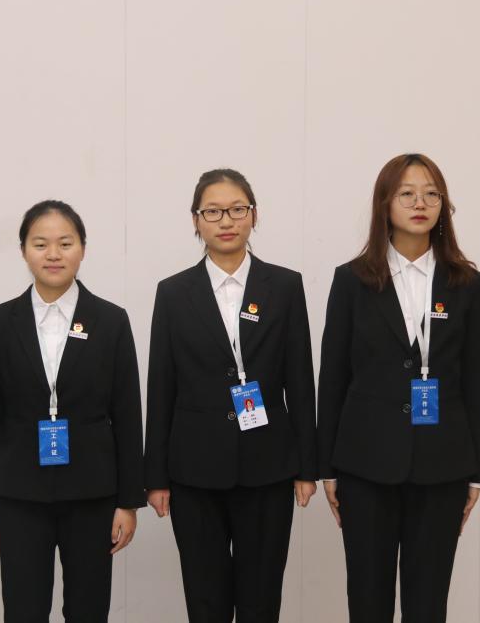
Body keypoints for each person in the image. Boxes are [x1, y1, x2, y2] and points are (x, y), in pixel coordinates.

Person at [318, 153, 480, 623]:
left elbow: (476, 379)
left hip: (443, 464)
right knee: (368, 600)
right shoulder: (351, 280)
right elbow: (333, 377)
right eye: (407, 194)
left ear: (444, 206)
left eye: (432, 194)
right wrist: (326, 467)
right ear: (385, 204)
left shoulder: (467, 283)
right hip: (365, 465)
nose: (420, 203)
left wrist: (478, 472)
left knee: (429, 602)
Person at [144, 168, 317, 623]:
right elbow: (161, 387)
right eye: (213, 211)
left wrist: (308, 466)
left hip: (269, 465)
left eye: (237, 209)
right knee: (206, 600)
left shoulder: (285, 286)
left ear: (254, 215)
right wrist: (155, 476)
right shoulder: (174, 293)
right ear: (196, 220)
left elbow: (300, 380)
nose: (226, 220)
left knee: (261, 599)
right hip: (193, 470)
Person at [0, 200, 145, 623]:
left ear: (82, 248)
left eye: (65, 243)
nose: (53, 254)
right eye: (40, 244)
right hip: (18, 494)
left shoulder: (111, 320)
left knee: (88, 609)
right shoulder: (0, 322)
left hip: (93, 493)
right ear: (23, 250)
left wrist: (128, 502)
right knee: (23, 609)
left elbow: (127, 414)